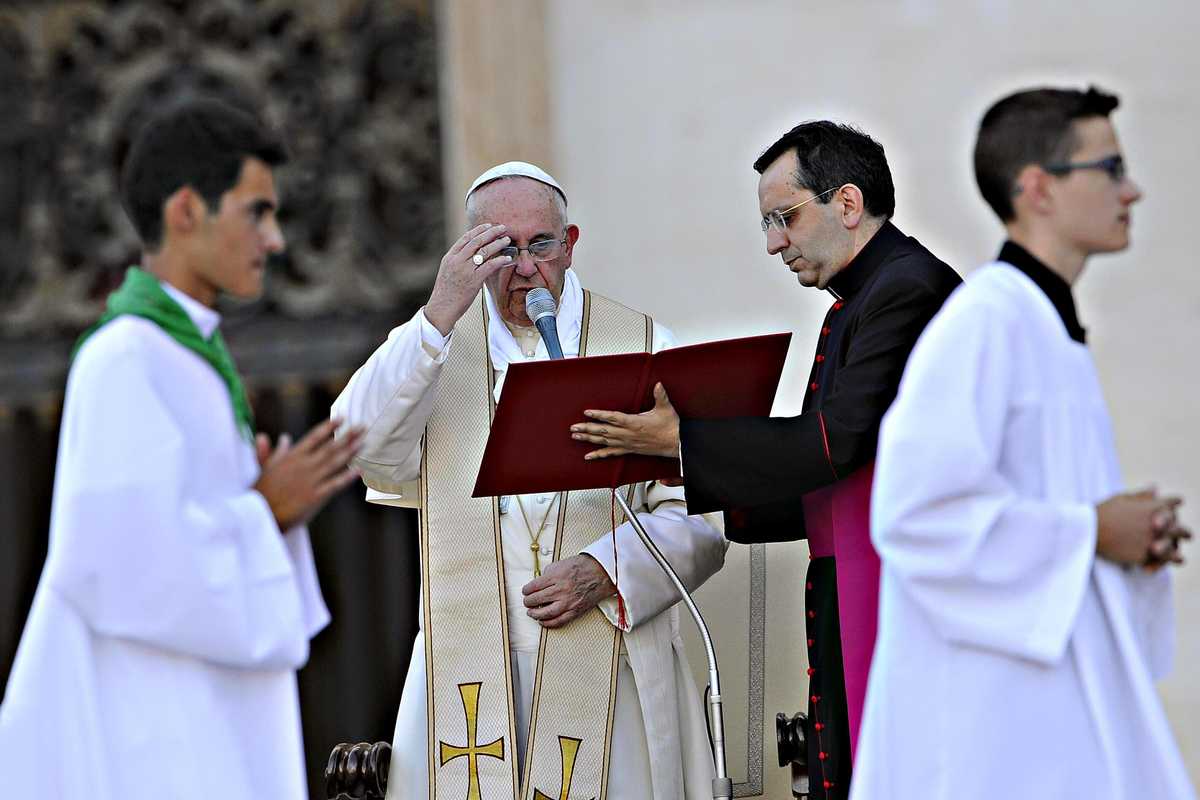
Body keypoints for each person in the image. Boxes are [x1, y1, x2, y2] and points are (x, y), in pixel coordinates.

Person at [571, 123, 961, 798]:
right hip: (861, 579)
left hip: (903, 592)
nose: (775, 242)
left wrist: (686, 444)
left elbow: (834, 444)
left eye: (784, 218)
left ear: (846, 203)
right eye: (767, 225)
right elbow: (825, 476)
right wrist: (682, 467)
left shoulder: (906, 288)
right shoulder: (864, 296)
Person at [0, 98, 362, 798]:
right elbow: (112, 564)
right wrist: (264, 509)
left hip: (194, 718)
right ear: (187, 210)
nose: (277, 239)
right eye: (257, 212)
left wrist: (265, 511)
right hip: (145, 736)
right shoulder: (123, 359)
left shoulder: (185, 357)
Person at [331, 161, 726, 800]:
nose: (521, 268)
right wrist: (436, 314)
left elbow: (703, 516)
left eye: (538, 244)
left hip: (611, 668)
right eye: (497, 249)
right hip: (471, 669)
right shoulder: (435, 349)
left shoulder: (643, 346)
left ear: (569, 246)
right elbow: (358, 444)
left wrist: (606, 569)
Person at [850, 86, 1194, 800]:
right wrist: (1094, 529)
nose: (1132, 190)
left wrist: (1123, 535)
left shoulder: (1045, 326)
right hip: (987, 721)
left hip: (1041, 699)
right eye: (1110, 167)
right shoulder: (984, 320)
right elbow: (916, 517)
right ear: (1038, 188)